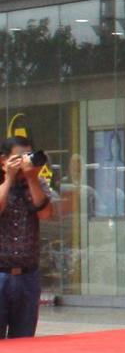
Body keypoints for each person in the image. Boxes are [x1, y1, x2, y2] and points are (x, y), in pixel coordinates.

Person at [0, 137, 53, 338]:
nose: (24, 161)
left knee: (24, 342)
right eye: (18, 157)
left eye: (28, 156)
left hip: (28, 276)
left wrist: (31, 179)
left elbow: (46, 214)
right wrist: (8, 179)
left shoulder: (36, 183)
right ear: (3, 160)